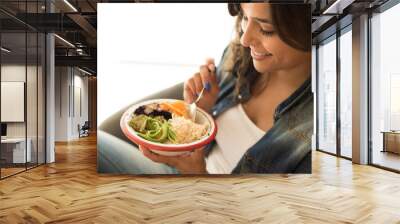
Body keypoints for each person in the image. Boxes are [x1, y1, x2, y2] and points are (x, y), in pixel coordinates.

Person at [98, 3, 312, 174]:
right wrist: (202, 111)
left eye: (266, 29)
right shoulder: (240, 57)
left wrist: (198, 176)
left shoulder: (318, 135)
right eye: (245, 18)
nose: (246, 39)